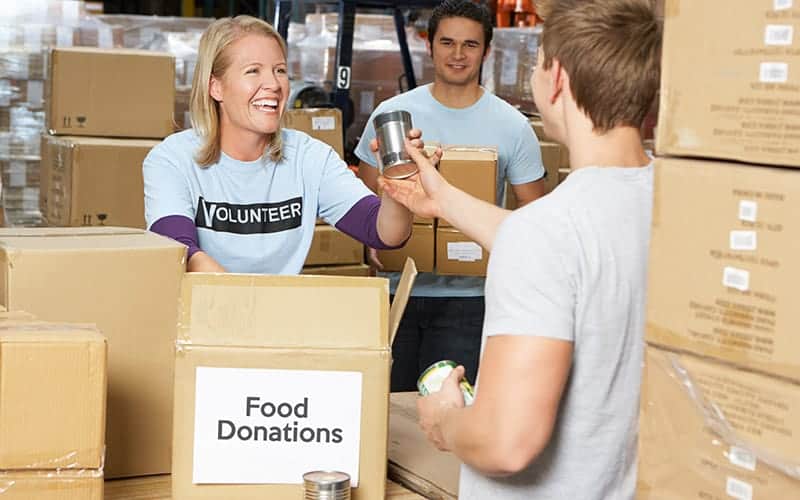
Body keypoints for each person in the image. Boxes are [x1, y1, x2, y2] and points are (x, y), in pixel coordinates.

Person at [379, 0, 661, 498]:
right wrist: (440, 198)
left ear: (557, 80)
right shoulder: (663, 200)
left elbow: (506, 443)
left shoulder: (550, 232)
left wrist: (446, 419)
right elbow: (561, 247)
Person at [355, 0, 546, 391]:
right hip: (396, 291)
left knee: (450, 413)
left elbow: (535, 212)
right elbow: (366, 199)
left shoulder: (512, 126)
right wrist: (369, 246)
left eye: (470, 45)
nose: (457, 55)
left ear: (487, 51)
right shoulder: (393, 116)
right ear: (430, 46)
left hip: (470, 299)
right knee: (385, 410)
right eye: (447, 42)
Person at [143, 15, 416, 273]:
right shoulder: (172, 159)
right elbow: (178, 251)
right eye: (253, 71)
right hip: (202, 314)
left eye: (280, 70)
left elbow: (383, 233)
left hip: (278, 315)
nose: (273, 84)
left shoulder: (310, 158)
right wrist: (250, 309)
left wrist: (398, 185)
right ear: (215, 87)